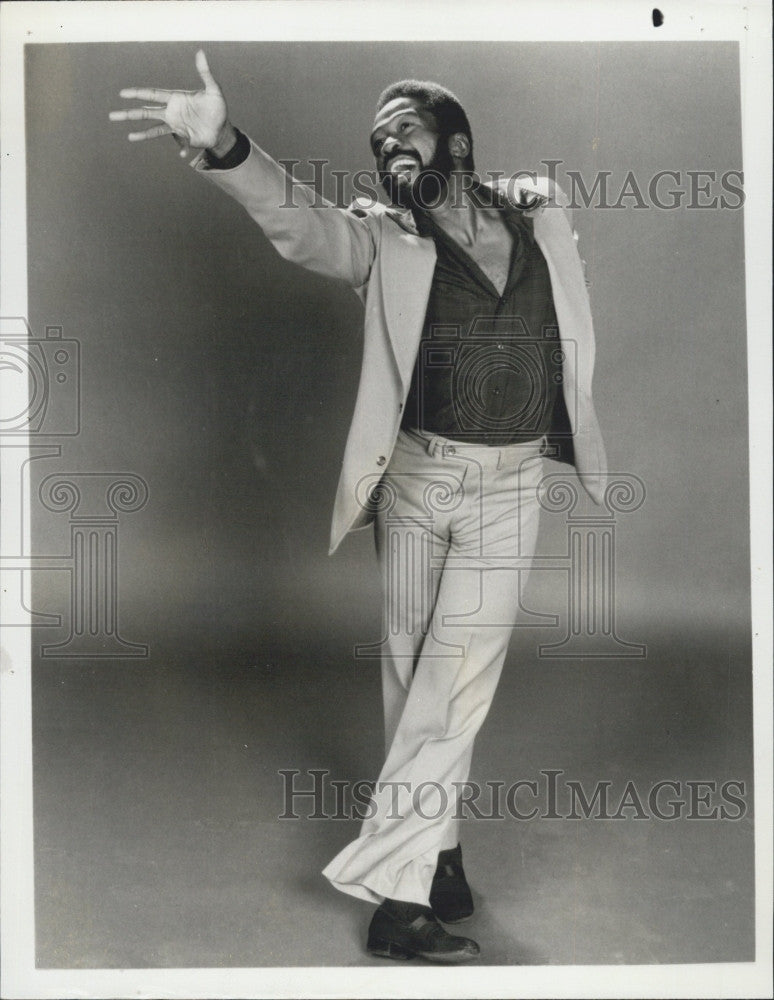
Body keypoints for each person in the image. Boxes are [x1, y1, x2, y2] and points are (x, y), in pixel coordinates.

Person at [110, 50, 607, 964]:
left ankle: (391, 897)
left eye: (405, 133)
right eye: (377, 144)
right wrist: (223, 144)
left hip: (510, 488)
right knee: (414, 677)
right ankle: (436, 856)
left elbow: (567, 320)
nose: (387, 152)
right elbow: (302, 225)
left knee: (451, 685)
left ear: (456, 143)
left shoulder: (540, 214)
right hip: (417, 483)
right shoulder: (383, 239)